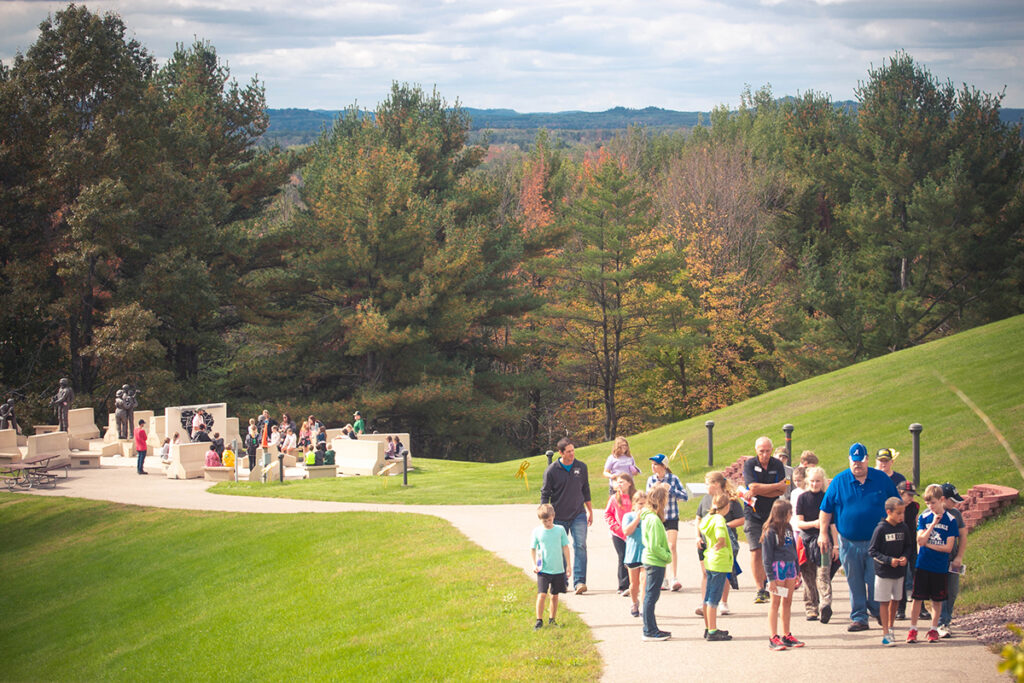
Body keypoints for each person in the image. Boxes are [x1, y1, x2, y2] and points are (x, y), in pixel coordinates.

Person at [818, 442, 899, 632]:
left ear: (867, 459)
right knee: (854, 581)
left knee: (875, 579)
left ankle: (876, 609)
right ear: (849, 460)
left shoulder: (881, 479)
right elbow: (825, 510)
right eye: (854, 461)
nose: (858, 464)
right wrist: (823, 533)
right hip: (849, 542)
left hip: (877, 542)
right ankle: (859, 617)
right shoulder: (839, 481)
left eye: (861, 460)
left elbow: (896, 504)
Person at [540, 438, 594, 594]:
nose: (572, 454)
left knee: (580, 546)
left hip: (578, 514)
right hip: (558, 516)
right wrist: (545, 515)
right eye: (568, 451)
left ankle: (580, 582)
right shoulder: (551, 470)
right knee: (561, 549)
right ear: (561, 452)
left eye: (573, 450)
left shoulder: (581, 467)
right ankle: (562, 582)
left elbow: (586, 489)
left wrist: (590, 510)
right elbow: (545, 494)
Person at [907, 484, 958, 644]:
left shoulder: (951, 520)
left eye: (933, 503)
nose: (931, 506)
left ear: (942, 500)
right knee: (917, 598)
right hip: (923, 564)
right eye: (928, 503)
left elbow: (948, 548)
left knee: (937, 600)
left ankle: (934, 629)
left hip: (939, 566)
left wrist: (928, 544)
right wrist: (933, 525)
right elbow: (920, 540)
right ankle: (913, 629)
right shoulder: (924, 517)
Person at [742, 436, 789, 604]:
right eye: (761, 451)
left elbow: (782, 489)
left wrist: (760, 489)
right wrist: (774, 487)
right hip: (753, 514)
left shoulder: (778, 465)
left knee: (774, 550)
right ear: (756, 450)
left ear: (772, 450)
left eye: (768, 451)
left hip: (773, 514)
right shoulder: (749, 464)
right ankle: (760, 589)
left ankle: (773, 584)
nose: (765, 454)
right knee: (756, 550)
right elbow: (752, 487)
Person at [695, 471, 743, 617]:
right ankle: (705, 602)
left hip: (724, 542)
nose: (705, 487)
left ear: (716, 484)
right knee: (706, 573)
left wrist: (723, 526)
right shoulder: (705, 499)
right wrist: (697, 536)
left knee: (723, 572)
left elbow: (741, 519)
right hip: (705, 541)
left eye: (707, 484)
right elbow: (698, 518)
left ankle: (723, 601)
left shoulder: (730, 500)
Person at [869, 496, 914, 646]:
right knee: (884, 601)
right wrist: (889, 560)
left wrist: (905, 557)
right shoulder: (881, 529)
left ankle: (891, 626)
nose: (901, 516)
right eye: (898, 513)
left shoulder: (904, 527)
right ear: (889, 512)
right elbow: (872, 551)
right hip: (883, 572)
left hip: (899, 572)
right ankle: (885, 633)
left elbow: (908, 546)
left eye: (903, 513)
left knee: (896, 599)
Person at [795, 466, 837, 623]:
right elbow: (799, 523)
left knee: (823, 574)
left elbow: (833, 525)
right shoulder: (802, 498)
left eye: (818, 481)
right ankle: (811, 607)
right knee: (808, 576)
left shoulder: (827, 498)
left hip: (824, 542)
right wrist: (815, 523)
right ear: (807, 481)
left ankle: (825, 604)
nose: (815, 484)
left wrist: (836, 546)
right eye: (812, 481)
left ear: (822, 481)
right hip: (806, 541)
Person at [762, 499, 804, 650]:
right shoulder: (770, 531)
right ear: (782, 513)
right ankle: (774, 636)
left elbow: (791, 549)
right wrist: (770, 579)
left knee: (787, 601)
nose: (791, 515)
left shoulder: (787, 528)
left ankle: (787, 634)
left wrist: (797, 570)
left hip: (790, 568)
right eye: (789, 512)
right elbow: (766, 558)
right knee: (776, 602)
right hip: (777, 570)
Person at [645, 453, 688, 591]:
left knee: (672, 546)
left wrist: (671, 489)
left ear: (664, 466)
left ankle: (674, 577)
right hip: (657, 517)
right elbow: (647, 499)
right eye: (652, 464)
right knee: (660, 547)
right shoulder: (651, 480)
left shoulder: (673, 479)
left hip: (671, 516)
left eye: (656, 464)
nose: (653, 467)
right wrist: (654, 489)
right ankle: (663, 579)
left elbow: (685, 496)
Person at [700, 493, 734, 641]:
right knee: (714, 598)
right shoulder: (719, 519)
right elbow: (720, 535)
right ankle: (713, 631)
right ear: (727, 506)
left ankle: (708, 627)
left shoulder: (708, 518)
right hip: (719, 561)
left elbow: (702, 527)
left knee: (708, 596)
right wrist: (721, 543)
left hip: (710, 559)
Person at [640, 483, 672, 641]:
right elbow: (654, 545)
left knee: (651, 596)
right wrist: (667, 556)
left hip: (653, 560)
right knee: (651, 596)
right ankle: (649, 630)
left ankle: (652, 628)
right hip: (655, 561)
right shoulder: (653, 519)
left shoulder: (650, 517)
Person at [531, 503, 571, 630]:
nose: (547, 523)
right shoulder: (537, 531)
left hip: (558, 569)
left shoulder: (560, 530)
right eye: (544, 521)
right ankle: (539, 620)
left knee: (554, 595)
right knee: (542, 594)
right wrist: (534, 564)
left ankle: (552, 619)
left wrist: (568, 565)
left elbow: (565, 547)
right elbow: (533, 548)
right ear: (540, 520)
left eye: (549, 520)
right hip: (543, 569)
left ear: (553, 516)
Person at [938, 482, 966, 638]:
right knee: (940, 591)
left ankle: (946, 620)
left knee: (952, 591)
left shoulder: (956, 514)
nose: (955, 504)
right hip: (936, 560)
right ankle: (941, 623)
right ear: (943, 498)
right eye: (952, 500)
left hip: (952, 559)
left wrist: (959, 557)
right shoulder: (929, 513)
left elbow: (963, 536)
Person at [604, 474, 635, 595]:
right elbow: (608, 514)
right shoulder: (614, 498)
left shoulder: (635, 497)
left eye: (622, 482)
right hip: (618, 533)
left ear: (629, 483)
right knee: (622, 556)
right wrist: (615, 526)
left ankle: (634, 584)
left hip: (633, 532)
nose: (619, 484)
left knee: (633, 557)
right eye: (618, 482)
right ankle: (623, 585)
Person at [896, 481, 922, 620]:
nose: (911, 498)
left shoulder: (915, 506)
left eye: (913, 495)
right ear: (900, 494)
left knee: (917, 575)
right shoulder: (894, 507)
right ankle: (900, 608)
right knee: (901, 577)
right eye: (909, 495)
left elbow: (916, 524)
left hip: (911, 545)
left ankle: (921, 607)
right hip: (898, 546)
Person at [622, 490, 647, 618]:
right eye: (640, 504)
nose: (643, 507)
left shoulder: (649, 517)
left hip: (646, 554)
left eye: (645, 504)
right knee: (634, 584)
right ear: (634, 504)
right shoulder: (629, 516)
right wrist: (637, 518)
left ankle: (643, 607)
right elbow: (626, 531)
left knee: (644, 581)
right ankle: (634, 602)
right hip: (632, 554)